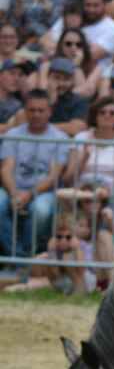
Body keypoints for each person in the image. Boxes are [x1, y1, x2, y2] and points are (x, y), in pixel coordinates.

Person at [0, 90, 69, 258]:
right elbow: (6, 168)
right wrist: (15, 193)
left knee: (41, 210)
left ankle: (22, 257)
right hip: (13, 188)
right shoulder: (13, 135)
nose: (36, 114)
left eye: (41, 110)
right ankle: (17, 256)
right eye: (31, 110)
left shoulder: (60, 137)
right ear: (25, 111)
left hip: (44, 192)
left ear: (49, 111)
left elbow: (54, 176)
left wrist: (29, 195)